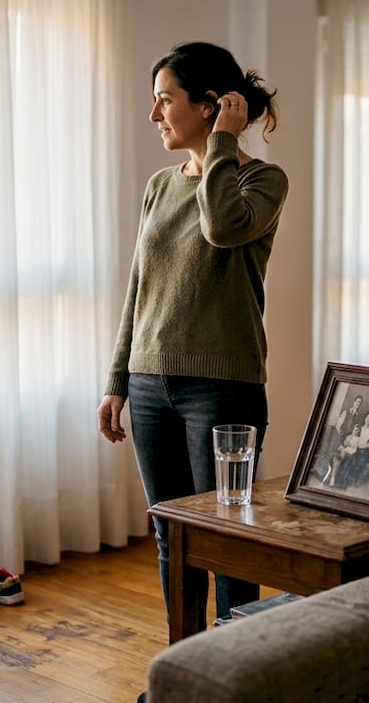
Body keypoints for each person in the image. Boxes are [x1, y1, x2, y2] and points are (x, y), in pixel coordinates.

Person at [97, 42, 288, 630]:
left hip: (223, 388)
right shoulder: (159, 185)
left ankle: (236, 678)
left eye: (164, 100)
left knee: (228, 540)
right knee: (171, 537)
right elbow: (139, 286)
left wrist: (223, 147)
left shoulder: (264, 180)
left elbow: (222, 226)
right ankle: (185, 669)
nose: (154, 114)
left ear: (209, 106)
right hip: (149, 383)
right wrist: (116, 379)